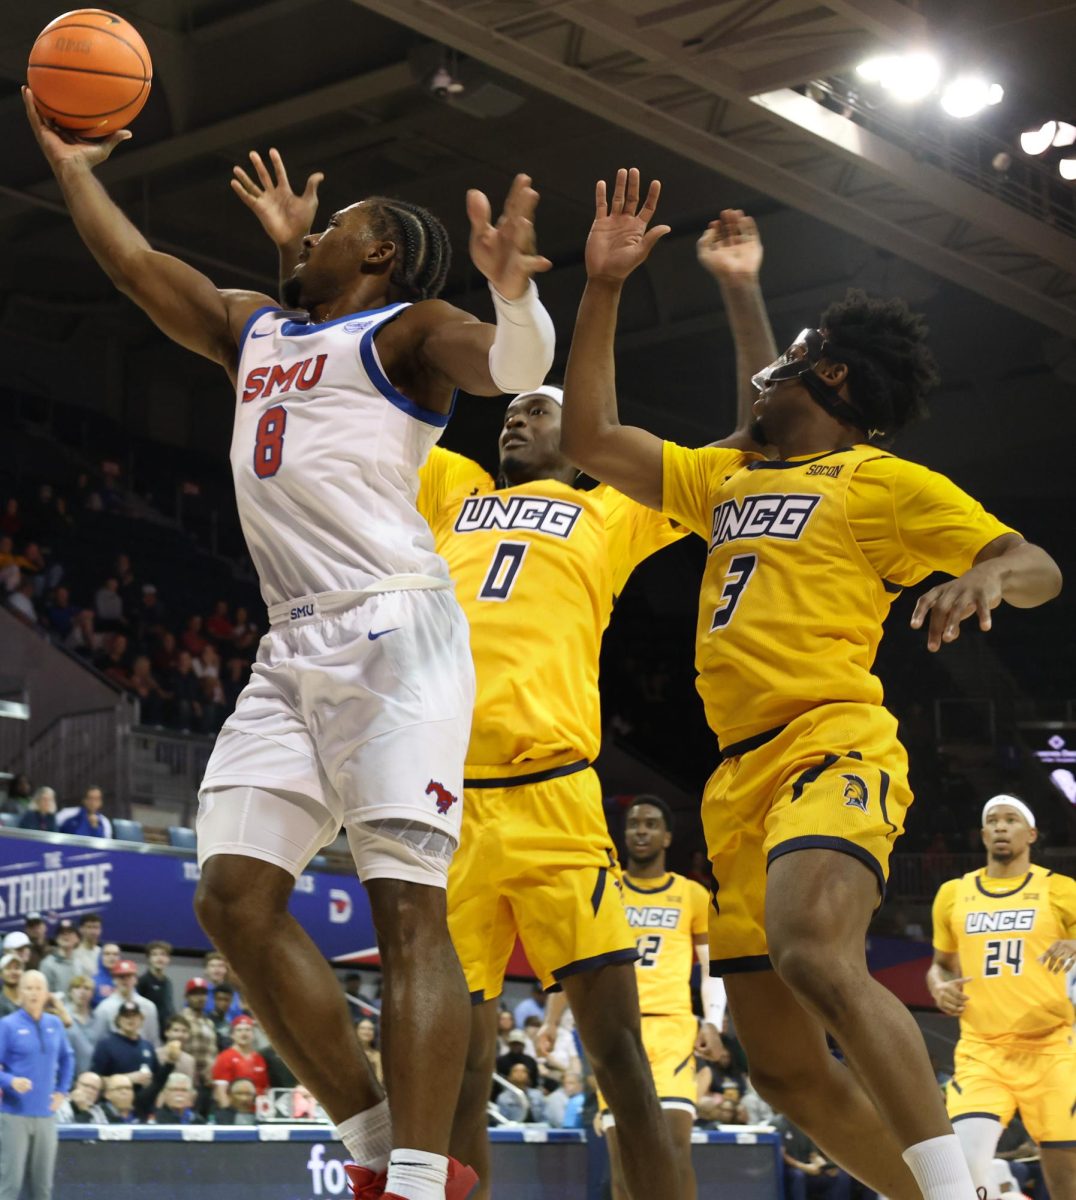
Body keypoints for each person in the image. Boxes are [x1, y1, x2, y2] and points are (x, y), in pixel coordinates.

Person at [27, 84, 560, 1200]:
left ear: (379, 256)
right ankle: (374, 1155)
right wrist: (74, 167)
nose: (309, 230)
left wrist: (512, 299)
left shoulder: (405, 330)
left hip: (391, 632)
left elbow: (508, 369)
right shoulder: (254, 328)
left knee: (404, 903)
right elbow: (136, 270)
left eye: (334, 225)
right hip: (289, 649)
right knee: (228, 897)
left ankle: (418, 1179)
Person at [559, 168, 1063, 1200]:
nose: (763, 373)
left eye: (792, 358)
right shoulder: (727, 479)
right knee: (785, 1072)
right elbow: (590, 440)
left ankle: (960, 1188)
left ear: (827, 377)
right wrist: (606, 284)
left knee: (811, 950)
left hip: (829, 745)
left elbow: (1038, 567)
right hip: (732, 780)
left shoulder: (877, 484)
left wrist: (981, 574)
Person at [927, 795, 1076, 1200]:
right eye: (992, 821)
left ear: (1031, 834)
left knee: (1066, 1177)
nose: (1000, 827)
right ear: (982, 834)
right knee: (966, 1165)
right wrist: (939, 985)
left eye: (1011, 820)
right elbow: (940, 963)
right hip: (982, 1052)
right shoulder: (954, 894)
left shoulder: (1061, 890)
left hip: (1052, 1050)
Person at [599, 796, 725, 1200]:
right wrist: (554, 1022)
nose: (641, 830)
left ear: (667, 836)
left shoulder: (692, 894)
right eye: (634, 823)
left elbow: (710, 967)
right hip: (615, 1030)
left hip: (672, 1030)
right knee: (622, 1157)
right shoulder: (607, 889)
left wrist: (713, 1022)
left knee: (674, 1148)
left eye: (651, 824)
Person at [0, 970, 74, 1200]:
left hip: (46, 1115)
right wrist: (10, 1080)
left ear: (46, 994)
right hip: (14, 1115)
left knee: (43, 1187)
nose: (33, 993)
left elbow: (68, 1057)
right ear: (20, 993)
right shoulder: (7, 1025)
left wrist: (62, 1091)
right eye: (28, 988)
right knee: (10, 1184)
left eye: (38, 988)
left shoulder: (55, 1024)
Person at [775, 1113, 853, 1200]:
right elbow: (781, 1154)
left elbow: (813, 1154)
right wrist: (803, 1167)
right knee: (798, 1175)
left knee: (841, 1175)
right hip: (788, 1169)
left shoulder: (806, 1124)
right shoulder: (779, 1124)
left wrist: (823, 1167)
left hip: (809, 1167)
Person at [91, 958, 160, 1045]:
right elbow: (98, 1040)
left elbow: (153, 1039)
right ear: (114, 980)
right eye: (121, 977)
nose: (125, 980)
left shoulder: (149, 1006)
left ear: (136, 979)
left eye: (129, 976)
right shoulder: (104, 1008)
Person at [212, 1014, 269, 1104]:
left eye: (247, 1030)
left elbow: (265, 1088)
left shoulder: (259, 1058)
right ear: (232, 1035)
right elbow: (220, 1091)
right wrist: (228, 1112)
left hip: (257, 1111)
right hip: (235, 1111)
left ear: (253, 1034)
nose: (244, 1033)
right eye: (239, 1030)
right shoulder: (224, 1057)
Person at [137, 940, 175, 1029]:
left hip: (164, 1030)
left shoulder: (167, 982)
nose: (159, 958)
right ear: (148, 959)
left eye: (163, 954)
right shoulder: (142, 981)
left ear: (169, 959)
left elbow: (168, 1008)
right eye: (155, 954)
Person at [41, 920, 81, 995]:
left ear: (77, 938)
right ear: (56, 938)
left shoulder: (79, 963)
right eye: (62, 933)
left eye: (70, 933)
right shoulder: (47, 964)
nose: (65, 935)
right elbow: (44, 994)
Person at [71, 914, 103, 980]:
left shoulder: (103, 953)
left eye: (96, 927)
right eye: (89, 927)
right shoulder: (73, 953)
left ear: (100, 930)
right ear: (81, 929)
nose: (93, 931)